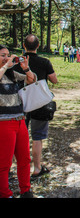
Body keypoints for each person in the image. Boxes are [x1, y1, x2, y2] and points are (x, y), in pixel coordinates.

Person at [14, 35, 58, 179]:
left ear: (23, 45)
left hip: (21, 102)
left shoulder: (17, 62)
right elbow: (54, 80)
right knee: (37, 136)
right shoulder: (44, 62)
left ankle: (15, 167)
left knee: (19, 137)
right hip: (39, 102)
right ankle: (37, 168)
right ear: (38, 46)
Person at [0, 44, 36, 198]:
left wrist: (26, 68)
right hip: (4, 123)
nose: (6, 58)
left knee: (24, 159)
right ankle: (5, 193)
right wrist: (5, 66)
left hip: (19, 120)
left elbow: (32, 80)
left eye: (8, 54)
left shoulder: (11, 74)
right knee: (4, 163)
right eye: (2, 55)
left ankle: (25, 191)